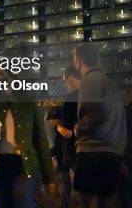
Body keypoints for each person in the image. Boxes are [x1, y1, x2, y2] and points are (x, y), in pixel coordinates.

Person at [0, 64, 55, 208]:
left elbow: (41, 142)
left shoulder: (28, 103)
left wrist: (49, 178)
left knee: (23, 202)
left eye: (0, 73)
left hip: (24, 164)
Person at [72, 45, 126, 208]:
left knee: (84, 203)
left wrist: (79, 128)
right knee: (105, 203)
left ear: (79, 60)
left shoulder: (89, 80)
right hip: (113, 154)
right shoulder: (112, 83)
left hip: (92, 152)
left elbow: (96, 113)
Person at [49, 67, 81, 208]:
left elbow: (67, 133)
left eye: (64, 81)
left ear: (71, 79)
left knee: (69, 196)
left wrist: (56, 125)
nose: (65, 85)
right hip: (84, 153)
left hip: (70, 156)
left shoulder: (72, 99)